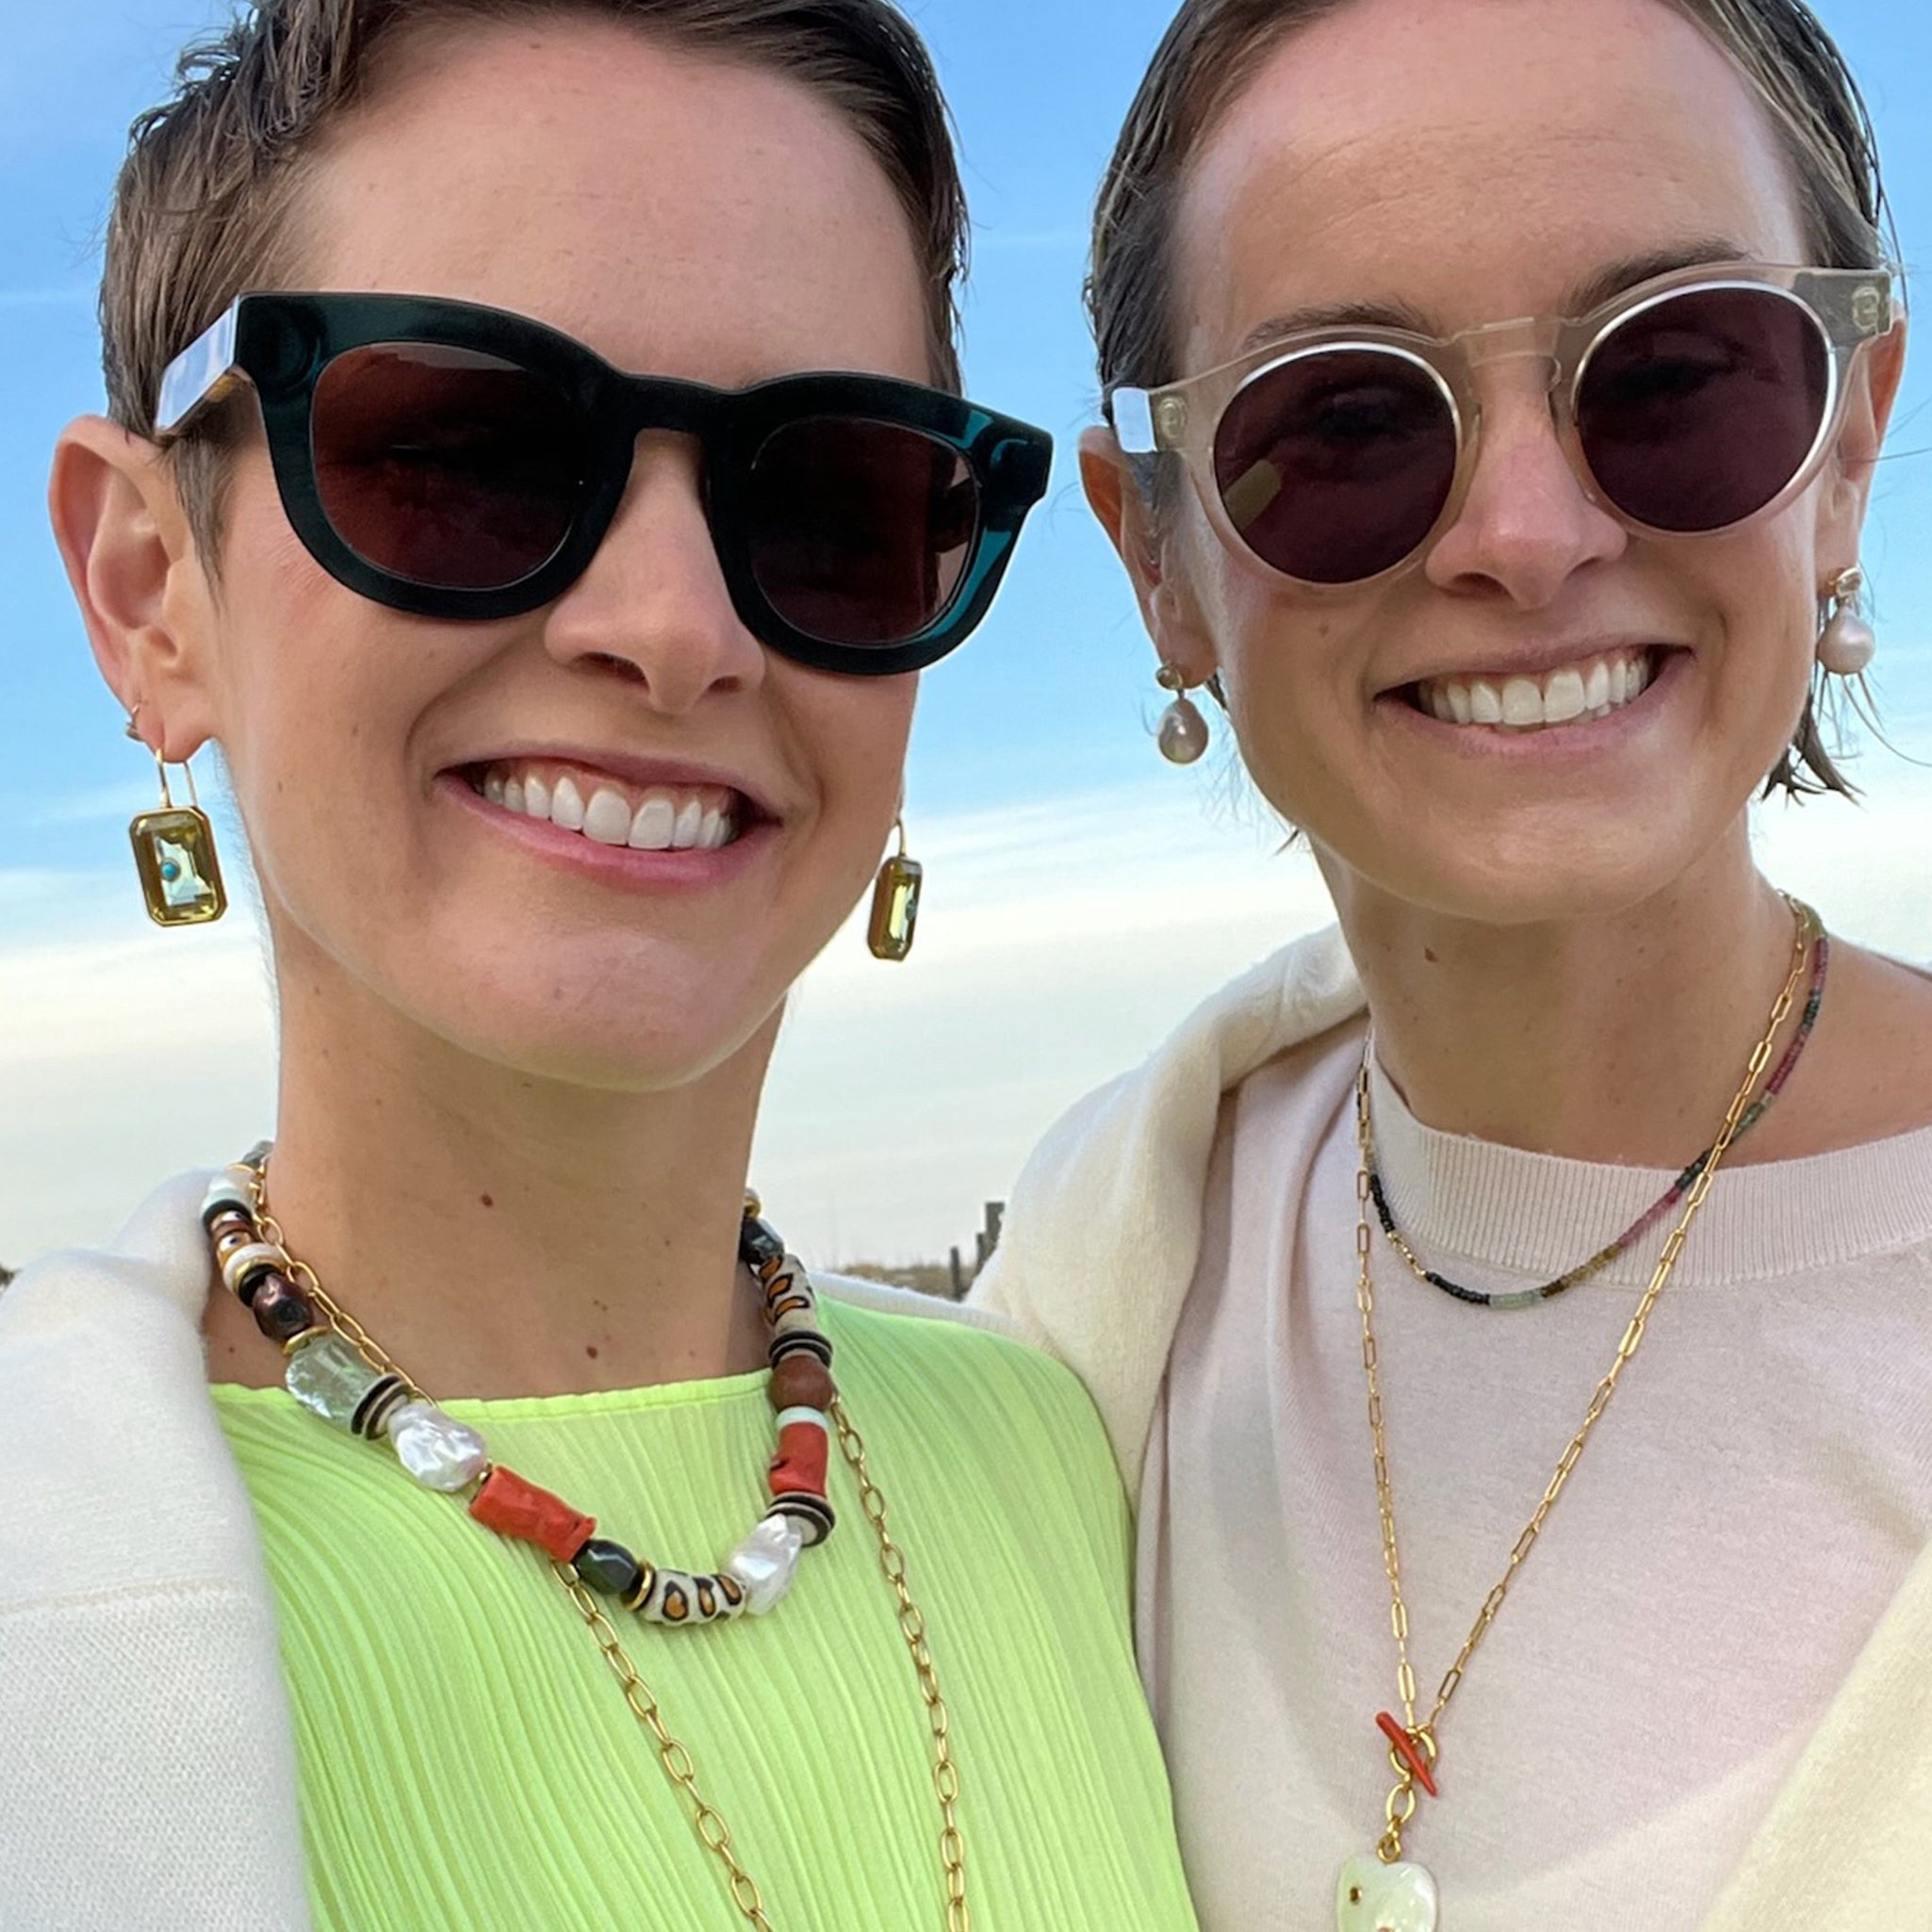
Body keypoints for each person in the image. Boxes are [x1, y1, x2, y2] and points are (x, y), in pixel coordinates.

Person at [0, 5, 1203, 1930]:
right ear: (152, 593)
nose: (672, 626)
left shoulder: (1068, 1458)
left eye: (828, 502)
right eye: (464, 451)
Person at [975, 1, 1932, 1928]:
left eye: (1669, 376)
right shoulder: (1099, 1291)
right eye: (1338, 422)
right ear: (1154, 561)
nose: (1520, 532)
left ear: (1841, 450)